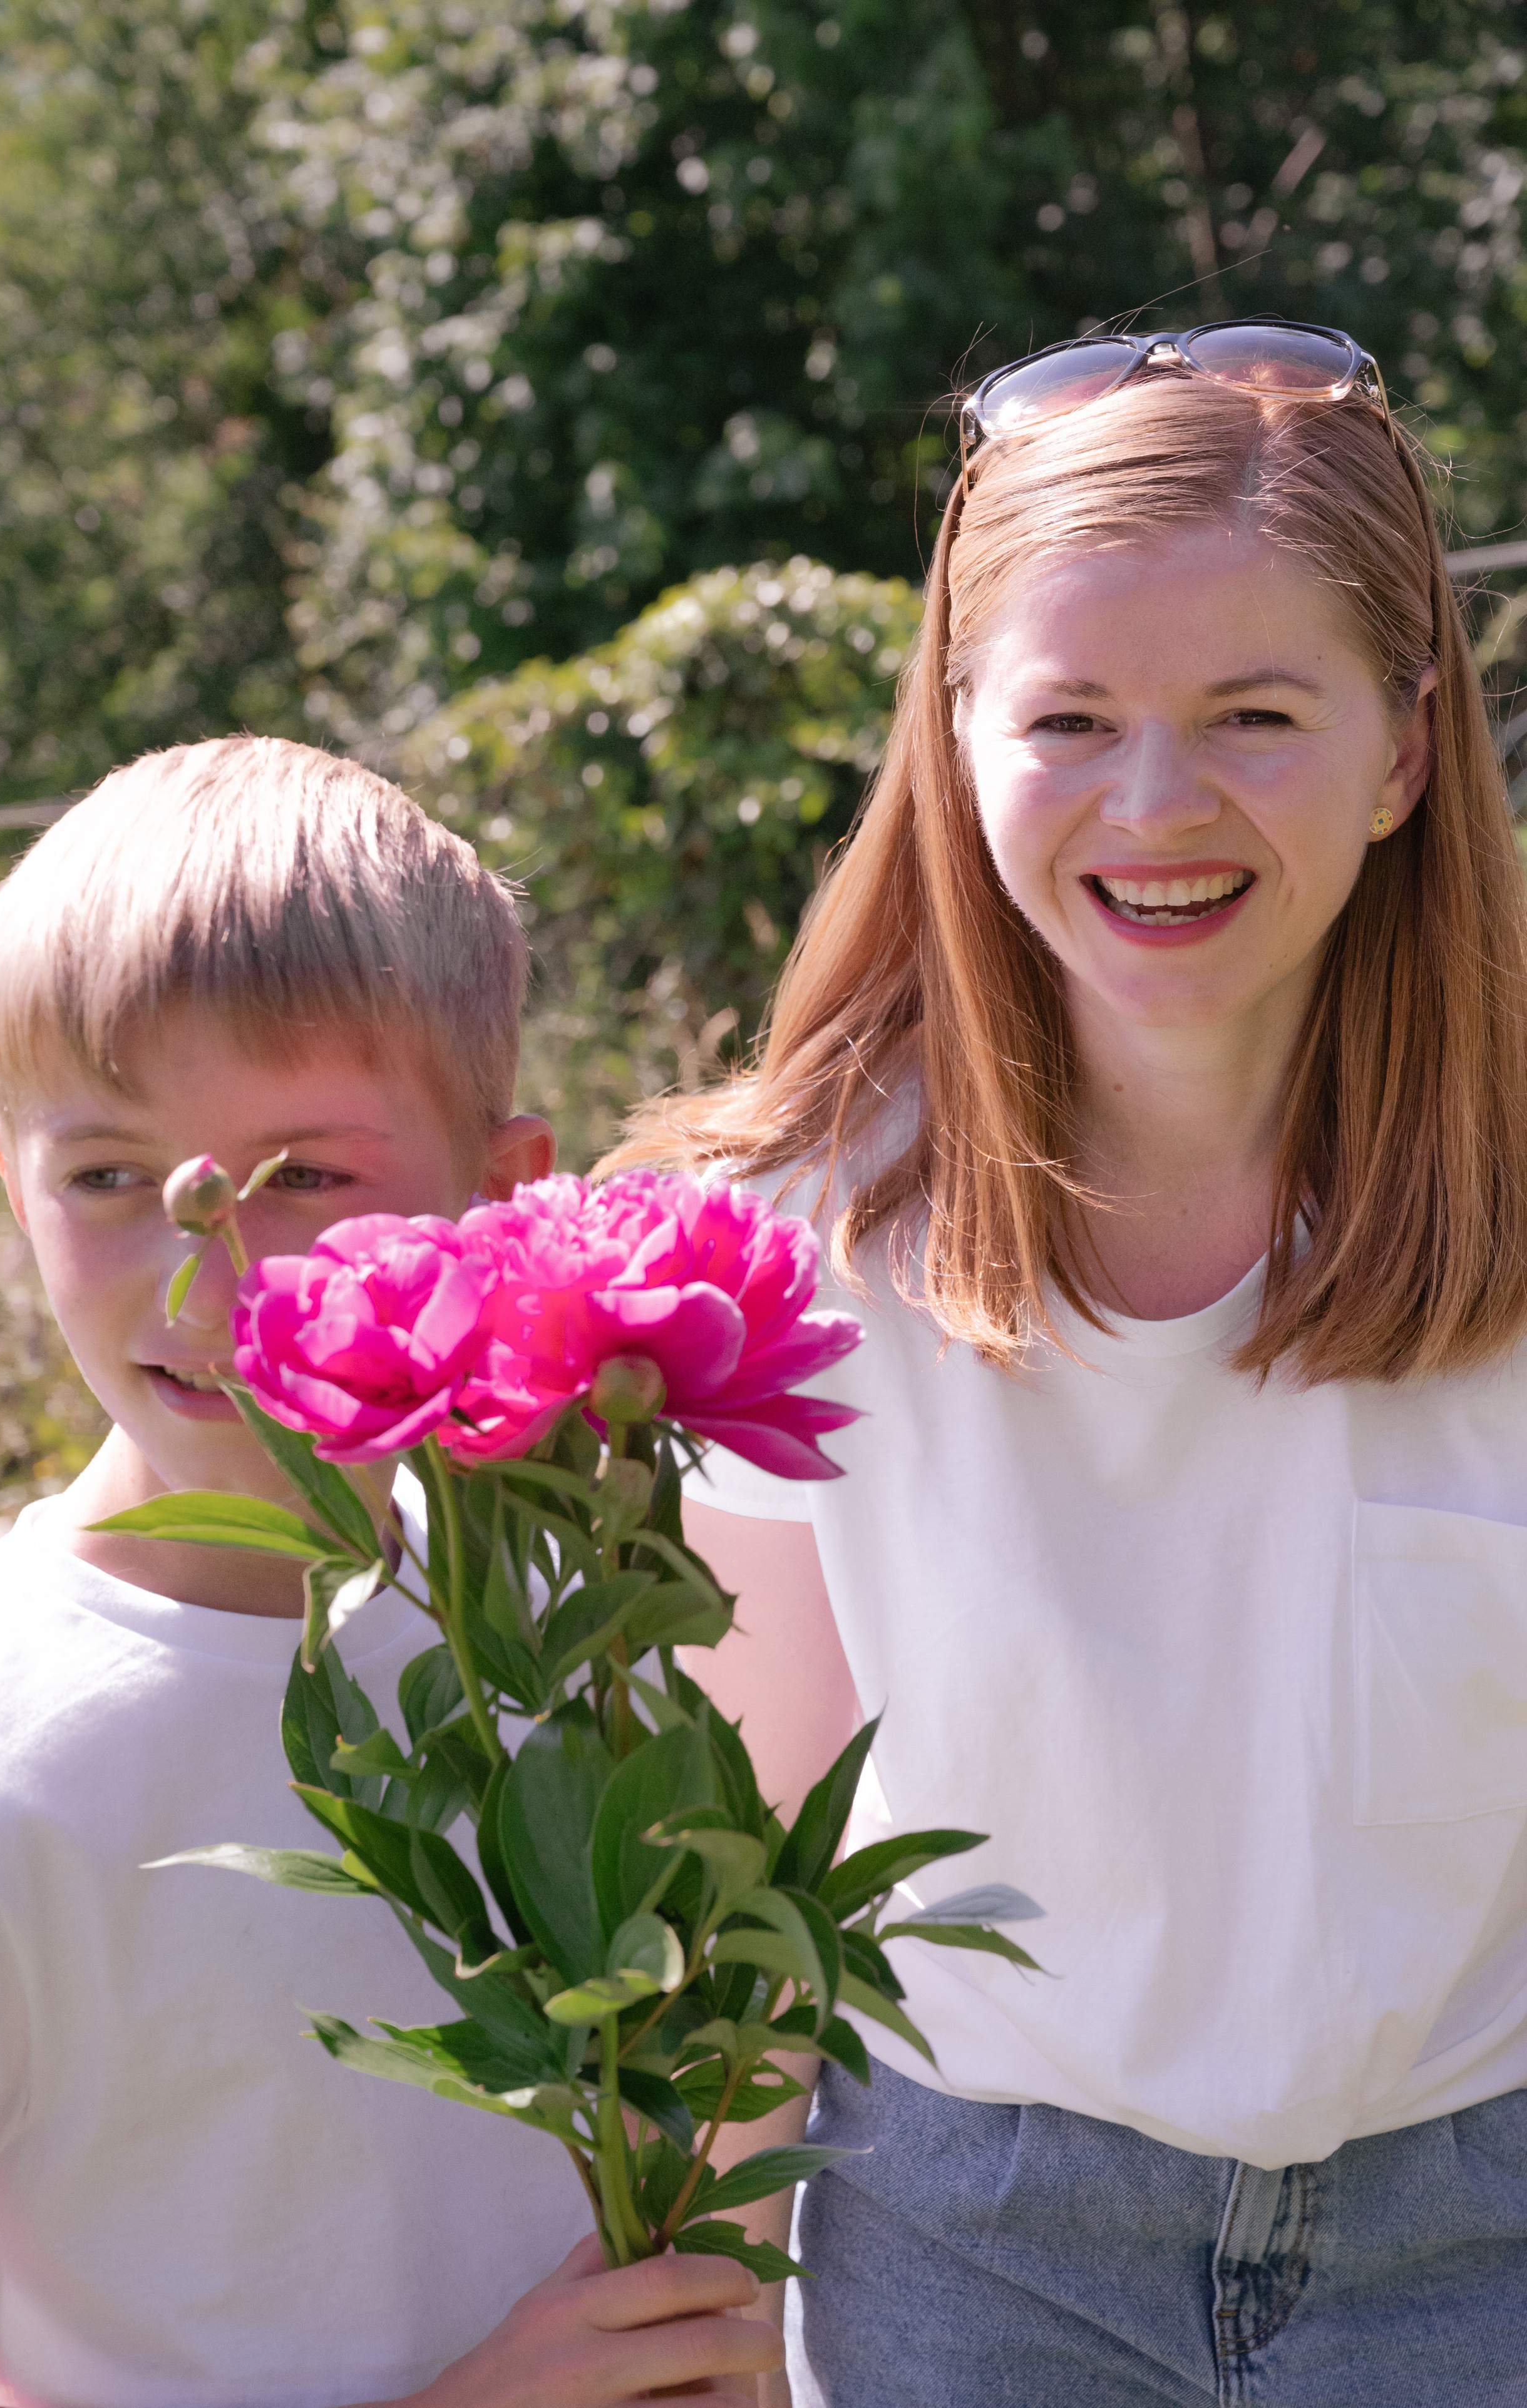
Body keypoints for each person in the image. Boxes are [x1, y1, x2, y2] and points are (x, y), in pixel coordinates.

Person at [614, 321, 1527, 2404]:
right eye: (1074, 718)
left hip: (1479, 2254)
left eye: (1255, 714)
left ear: (1403, 747)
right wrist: (706, 2313)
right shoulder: (797, 1242)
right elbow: (750, 1838)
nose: (1157, 802)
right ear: (956, 739)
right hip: (975, 2256)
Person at [0, 735, 782, 2407]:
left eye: (304, 1175)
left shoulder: (573, 1623)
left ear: (507, 1185)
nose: (211, 1270)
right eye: (112, 1177)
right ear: (8, 1181)